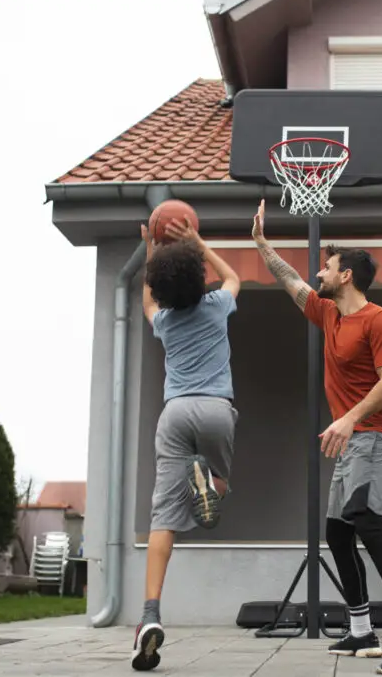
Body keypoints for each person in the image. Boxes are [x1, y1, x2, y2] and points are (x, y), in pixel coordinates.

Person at [250, 199, 382, 675]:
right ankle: (361, 632)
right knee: (338, 532)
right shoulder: (329, 314)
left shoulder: (380, 322)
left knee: (367, 521)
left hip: (378, 438)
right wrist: (261, 245)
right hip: (354, 441)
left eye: (328, 266)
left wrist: (348, 418)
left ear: (347, 276)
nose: (319, 272)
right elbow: (292, 284)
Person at [130, 217, 242, 672]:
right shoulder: (216, 306)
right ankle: (210, 488)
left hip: (174, 414)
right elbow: (234, 277)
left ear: (163, 288)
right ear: (199, 280)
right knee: (221, 481)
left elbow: (146, 303)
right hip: (216, 410)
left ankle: (150, 614)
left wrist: (150, 254)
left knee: (162, 517)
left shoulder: (166, 325)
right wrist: (199, 242)